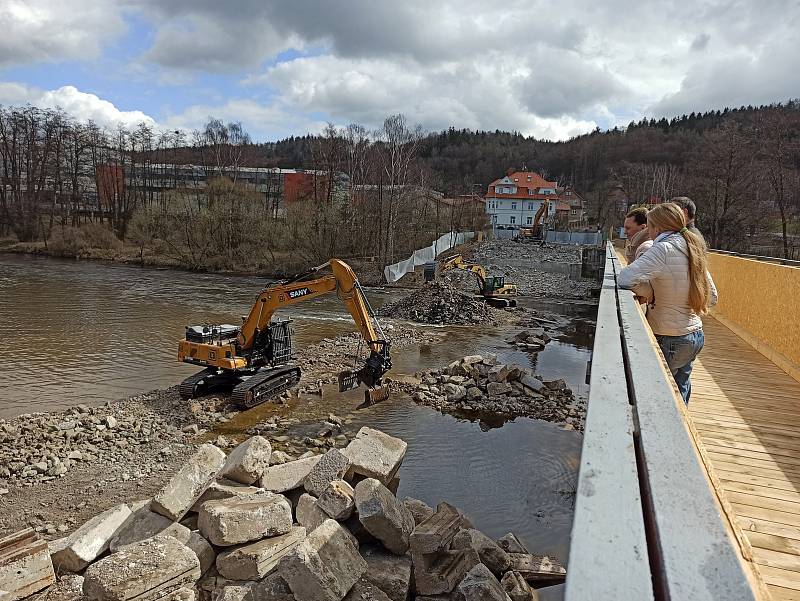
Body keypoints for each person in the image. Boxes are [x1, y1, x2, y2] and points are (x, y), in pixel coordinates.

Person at [618, 202, 718, 404]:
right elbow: (712, 296)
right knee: (680, 392)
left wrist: (650, 292)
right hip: (695, 336)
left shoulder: (663, 249)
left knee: (662, 399)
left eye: (650, 226)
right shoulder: (692, 246)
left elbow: (625, 278)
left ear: (657, 227)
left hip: (670, 337)